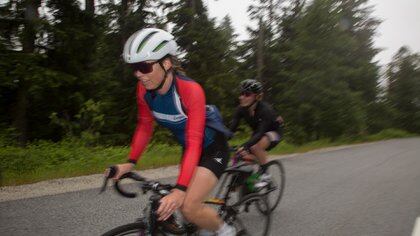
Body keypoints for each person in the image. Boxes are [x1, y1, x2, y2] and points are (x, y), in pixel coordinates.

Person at [111, 27, 235, 235]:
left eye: (144, 67)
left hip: (213, 149)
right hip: (190, 150)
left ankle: (225, 231)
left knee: (188, 206)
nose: (139, 75)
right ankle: (202, 227)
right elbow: (144, 125)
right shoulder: (144, 90)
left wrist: (180, 190)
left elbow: (195, 139)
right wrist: (130, 162)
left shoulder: (191, 91)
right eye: (135, 68)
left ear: (166, 63)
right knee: (180, 206)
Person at [229, 79, 284, 180]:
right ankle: (248, 188)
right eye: (241, 93)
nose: (242, 97)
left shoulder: (265, 110)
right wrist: (221, 141)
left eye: (247, 94)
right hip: (259, 132)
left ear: (257, 97)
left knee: (255, 147)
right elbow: (231, 129)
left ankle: (265, 175)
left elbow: (260, 133)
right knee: (242, 158)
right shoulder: (240, 109)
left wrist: (245, 145)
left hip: (274, 132)